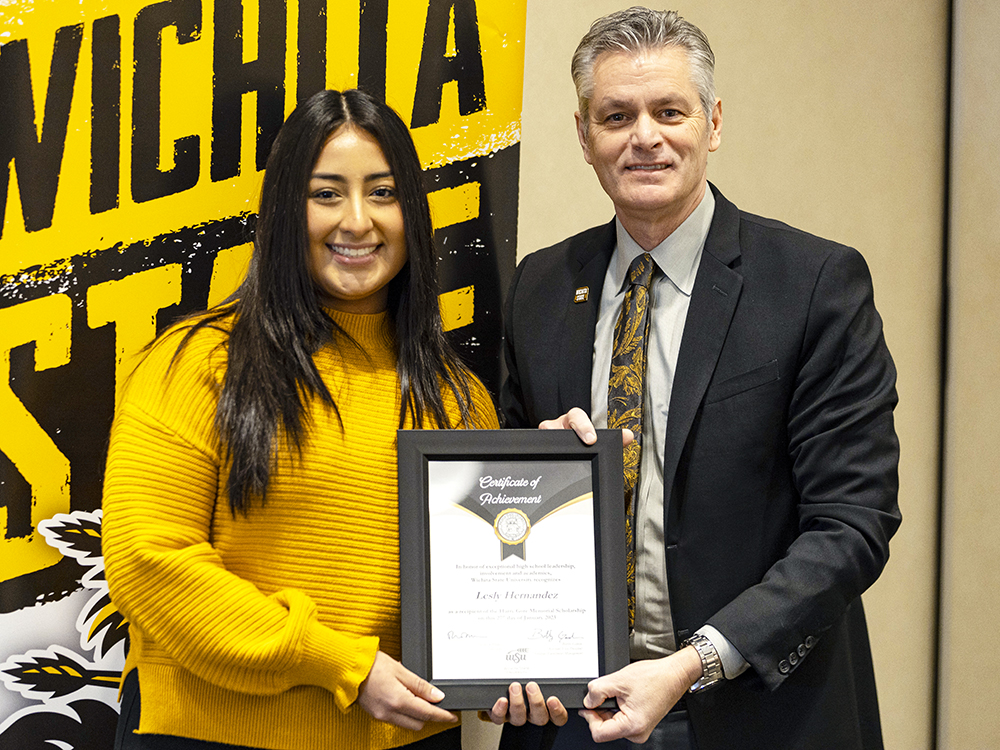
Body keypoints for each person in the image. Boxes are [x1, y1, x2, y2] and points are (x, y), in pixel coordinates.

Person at [492, 8, 900, 750]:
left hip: (756, 713)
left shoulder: (812, 285)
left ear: (711, 124)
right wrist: (531, 467)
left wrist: (694, 662)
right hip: (574, 718)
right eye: (616, 115)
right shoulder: (540, 286)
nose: (644, 136)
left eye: (668, 111)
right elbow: (502, 504)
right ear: (585, 136)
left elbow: (852, 525)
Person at [102, 88, 499, 750]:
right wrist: (341, 664)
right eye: (326, 194)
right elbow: (148, 561)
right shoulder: (196, 364)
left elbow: (488, 590)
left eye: (382, 192)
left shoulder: (458, 397)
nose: (357, 221)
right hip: (210, 736)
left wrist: (554, 484)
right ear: (286, 210)